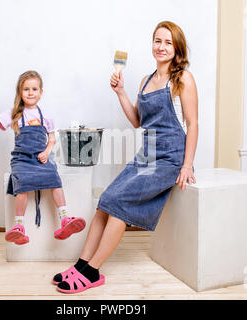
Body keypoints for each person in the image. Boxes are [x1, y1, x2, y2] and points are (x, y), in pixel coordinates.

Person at [53, 21, 198, 293]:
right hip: (146, 154)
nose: (162, 46)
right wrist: (121, 92)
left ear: (177, 48)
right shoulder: (145, 81)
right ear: (152, 44)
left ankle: (93, 271)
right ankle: (81, 264)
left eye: (168, 42)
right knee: (106, 200)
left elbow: (193, 124)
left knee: (119, 204)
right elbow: (137, 121)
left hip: (170, 159)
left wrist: (187, 164)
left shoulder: (183, 79)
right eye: (158, 40)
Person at [0, 70, 86, 245]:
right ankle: (19, 227)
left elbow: (52, 139)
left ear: (41, 92)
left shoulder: (46, 116)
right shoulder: (14, 114)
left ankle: (65, 219)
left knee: (54, 177)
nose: (30, 93)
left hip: (40, 158)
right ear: (20, 93)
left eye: (34, 89)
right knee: (21, 182)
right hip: (22, 159)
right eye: (26, 89)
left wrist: (46, 152)